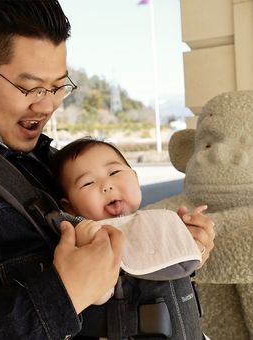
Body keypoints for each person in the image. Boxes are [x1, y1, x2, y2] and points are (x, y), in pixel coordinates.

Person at [0, 1, 215, 339]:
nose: (47, 105)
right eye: (30, 87)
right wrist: (64, 294)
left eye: (58, 87)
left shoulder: (52, 161)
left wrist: (177, 249)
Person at [51, 137, 212, 338]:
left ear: (135, 178)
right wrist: (88, 248)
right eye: (88, 183)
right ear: (69, 206)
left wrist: (187, 233)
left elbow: (187, 264)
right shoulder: (89, 239)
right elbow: (98, 296)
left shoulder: (156, 221)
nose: (106, 185)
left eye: (114, 172)